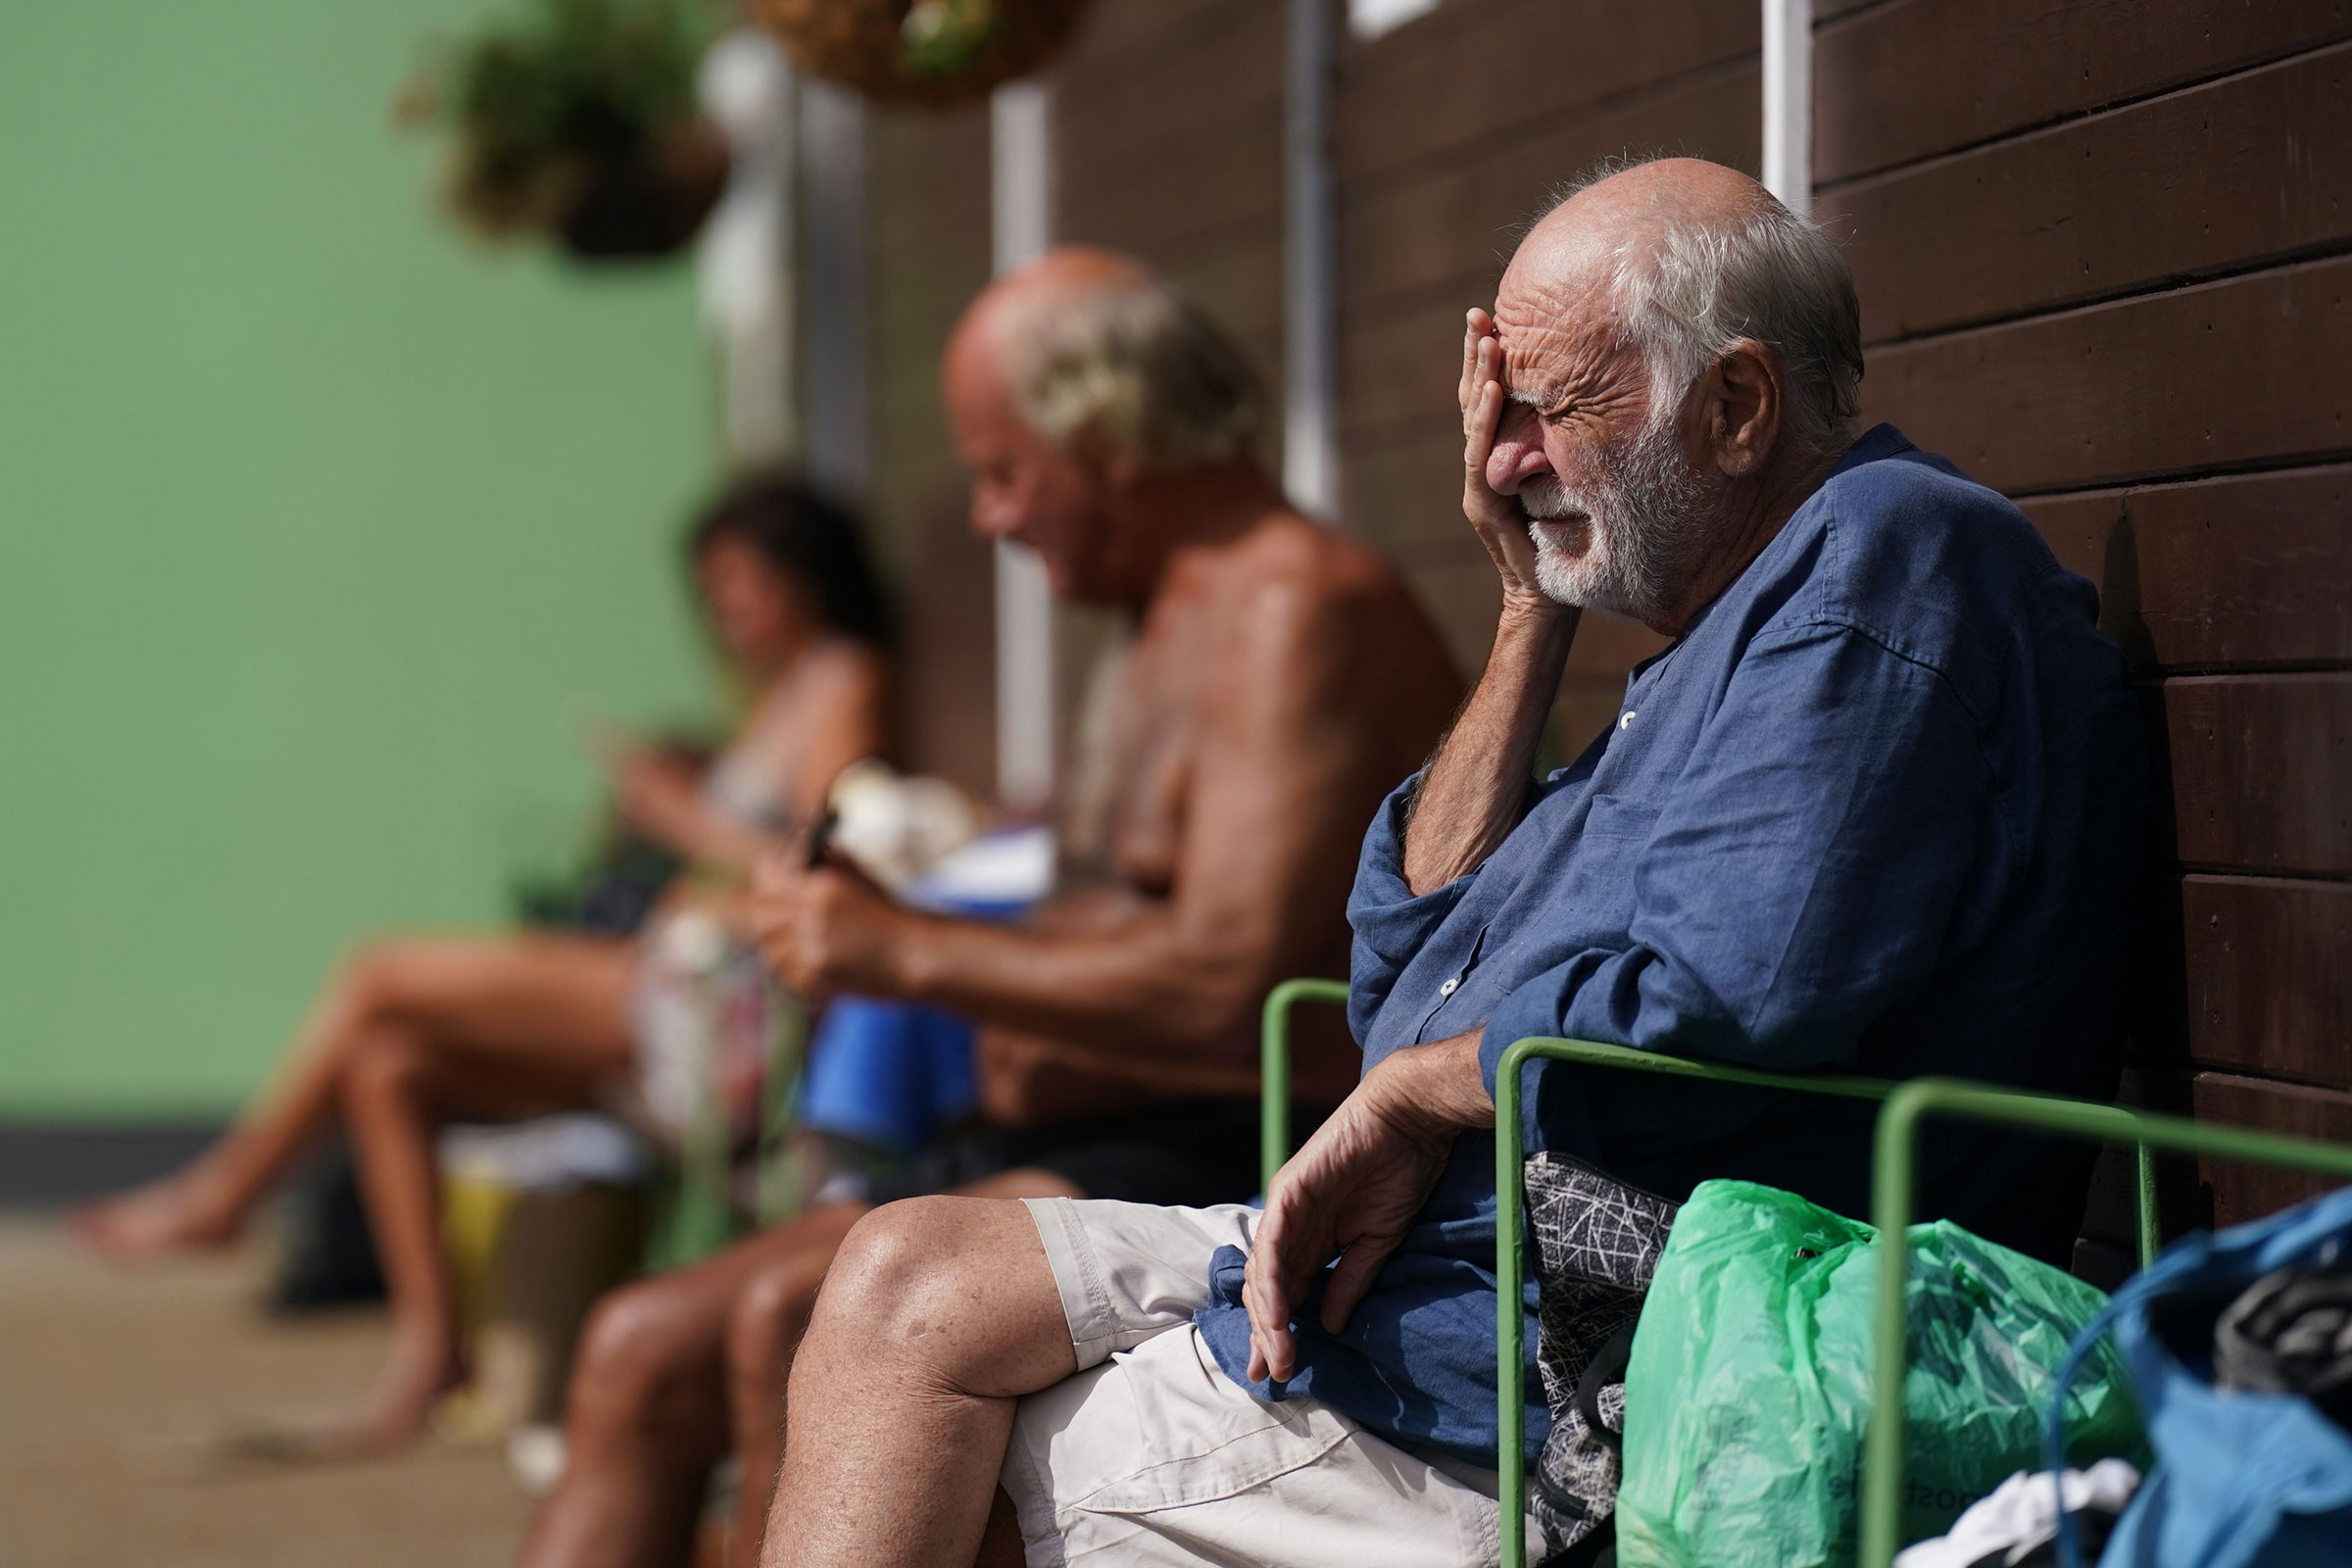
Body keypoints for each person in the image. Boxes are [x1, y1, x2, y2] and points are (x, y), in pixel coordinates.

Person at [745, 157, 2151, 1568]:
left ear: (1734, 408)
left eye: (1550, 409)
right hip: (1438, 1278)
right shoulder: (1705, 639)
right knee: (898, 1278)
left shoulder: (1879, 565)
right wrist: (1526, 612)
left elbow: (1729, 998)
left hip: (1594, 1357)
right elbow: (1407, 960)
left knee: (951, 1474)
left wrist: (1419, 1095)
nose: (1502, 460)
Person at [514, 247, 1465, 1567]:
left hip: (1234, 1149)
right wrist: (912, 909)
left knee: (785, 1311)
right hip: (1091, 1136)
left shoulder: (1293, 608)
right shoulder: (1166, 618)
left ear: (1111, 434)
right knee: (631, 1349)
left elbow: (1223, 982)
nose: (987, 517)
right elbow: (1114, 906)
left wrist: (904, 951)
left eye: (1005, 470)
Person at [72, 476, 892, 1457]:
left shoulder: (847, 679)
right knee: (388, 1067)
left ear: (806, 574)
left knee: (377, 973)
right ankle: (429, 1361)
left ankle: (226, 1196)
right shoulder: (785, 690)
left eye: (742, 583)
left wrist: (685, 816)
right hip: (671, 988)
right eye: (712, 590)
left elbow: (825, 865)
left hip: (712, 1014)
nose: (725, 611)